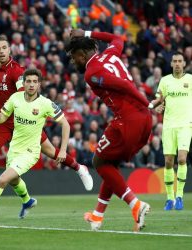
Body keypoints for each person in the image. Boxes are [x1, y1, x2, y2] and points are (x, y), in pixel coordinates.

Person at [0, 35, 93, 218]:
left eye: (4, 48)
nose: (1, 51)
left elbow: (23, 92)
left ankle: (79, 168)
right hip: (4, 120)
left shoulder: (17, 71)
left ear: (9, 50)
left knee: (52, 152)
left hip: (22, 121)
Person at [66, 29, 152, 231]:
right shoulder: (110, 54)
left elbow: (123, 86)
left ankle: (135, 204)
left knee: (98, 161)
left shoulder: (91, 72)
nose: (73, 62)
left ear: (82, 55)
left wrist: (147, 102)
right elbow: (117, 38)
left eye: (73, 58)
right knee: (109, 164)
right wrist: (87, 32)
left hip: (128, 120)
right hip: (144, 121)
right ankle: (97, 217)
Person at [0, 69, 70, 216]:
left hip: (30, 152)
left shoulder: (45, 103)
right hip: (14, 150)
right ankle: (27, 201)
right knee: (14, 180)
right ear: (23, 83)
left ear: (39, 85)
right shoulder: (15, 98)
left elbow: (66, 124)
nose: (31, 85)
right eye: (28, 81)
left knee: (2, 180)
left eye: (35, 82)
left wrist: (63, 150)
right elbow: (3, 118)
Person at [149, 52, 192, 211]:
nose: (177, 64)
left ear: (184, 63)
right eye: (175, 61)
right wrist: (154, 106)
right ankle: (170, 198)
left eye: (180, 61)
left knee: (182, 158)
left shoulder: (190, 80)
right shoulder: (165, 81)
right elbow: (158, 99)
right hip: (168, 126)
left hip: (185, 125)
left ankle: (179, 195)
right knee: (168, 162)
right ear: (172, 64)